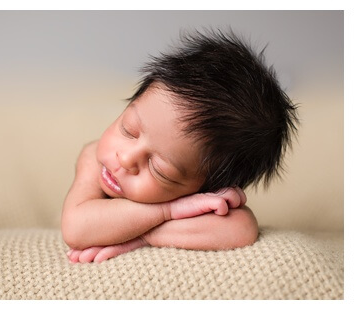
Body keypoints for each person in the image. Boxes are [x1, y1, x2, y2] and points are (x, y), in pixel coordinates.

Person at [61, 29, 298, 263]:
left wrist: (140, 236)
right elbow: (76, 228)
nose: (125, 159)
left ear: (205, 190)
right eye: (128, 130)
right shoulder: (93, 158)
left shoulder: (198, 193)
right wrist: (170, 211)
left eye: (159, 170)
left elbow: (242, 229)